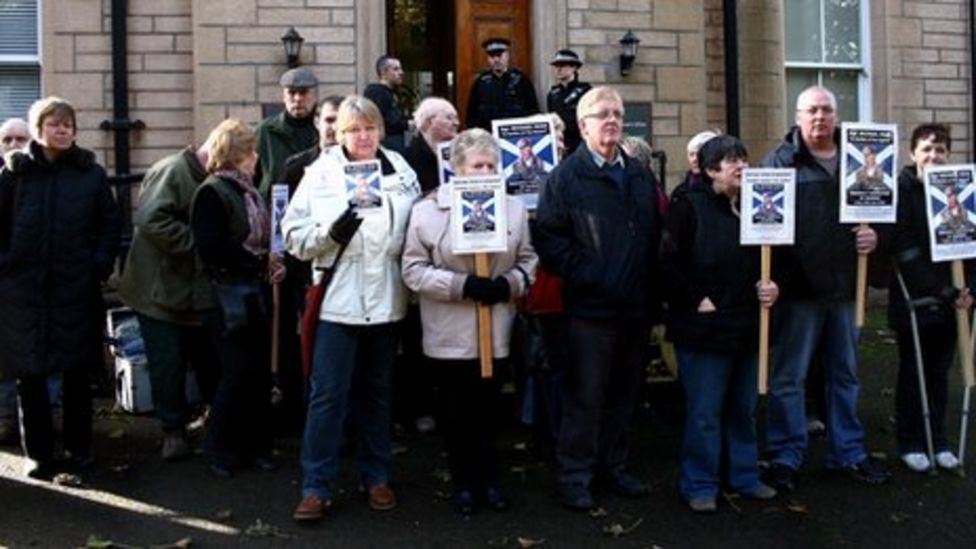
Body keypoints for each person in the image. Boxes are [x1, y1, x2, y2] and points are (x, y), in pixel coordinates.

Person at [284, 96, 420, 522]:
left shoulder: (400, 170)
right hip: (339, 302)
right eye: (354, 129)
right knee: (327, 396)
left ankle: (376, 475)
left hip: (387, 300)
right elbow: (293, 235)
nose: (363, 136)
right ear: (339, 134)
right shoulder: (320, 172)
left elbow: (418, 228)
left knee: (377, 394)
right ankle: (316, 485)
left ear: (381, 130)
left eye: (370, 128)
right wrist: (330, 233)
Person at [535, 86, 662, 510]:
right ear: (583, 125)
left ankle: (615, 467)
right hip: (590, 310)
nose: (612, 121)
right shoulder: (565, 178)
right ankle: (576, 476)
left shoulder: (639, 175)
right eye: (602, 114)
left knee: (624, 395)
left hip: (635, 307)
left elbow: (651, 233)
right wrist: (591, 276)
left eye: (617, 115)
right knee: (585, 398)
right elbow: (550, 240)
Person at [760, 85, 890, 491]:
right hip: (799, 291)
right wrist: (772, 280)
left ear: (836, 115)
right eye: (812, 110)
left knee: (845, 375)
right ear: (798, 116)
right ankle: (785, 456)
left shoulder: (862, 160)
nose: (819, 117)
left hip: (848, 289)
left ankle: (848, 452)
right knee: (789, 377)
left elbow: (886, 215)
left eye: (826, 110)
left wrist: (876, 238)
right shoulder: (780, 162)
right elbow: (763, 225)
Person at [402, 127, 537, 515]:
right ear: (458, 169)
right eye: (477, 165)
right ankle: (463, 482)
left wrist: (508, 283)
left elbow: (528, 259)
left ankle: (490, 480)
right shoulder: (428, 211)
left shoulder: (513, 208)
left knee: (491, 410)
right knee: (457, 412)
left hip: (495, 330)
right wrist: (462, 285)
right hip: (450, 333)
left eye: (491, 165)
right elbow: (413, 270)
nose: (485, 172)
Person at [0, 97, 120, 479]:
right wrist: (7, 265)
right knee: (30, 376)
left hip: (75, 287)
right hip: (23, 291)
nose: (63, 130)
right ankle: (38, 454)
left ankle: (80, 448)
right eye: (54, 124)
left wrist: (99, 264)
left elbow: (109, 224)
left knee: (77, 375)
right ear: (39, 130)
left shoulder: (91, 175)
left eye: (68, 124)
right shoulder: (14, 174)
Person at [662, 135, 780, 513]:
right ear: (712, 170)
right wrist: (697, 298)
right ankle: (699, 483)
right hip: (704, 329)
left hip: (747, 325)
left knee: (743, 409)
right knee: (705, 412)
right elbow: (667, 262)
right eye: (732, 161)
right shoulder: (687, 207)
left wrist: (774, 285)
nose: (742, 166)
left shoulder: (758, 205)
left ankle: (744, 476)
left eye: (744, 159)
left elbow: (777, 258)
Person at [119, 137, 221, 461]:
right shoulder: (172, 171)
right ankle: (172, 431)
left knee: (207, 358)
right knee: (167, 362)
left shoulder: (208, 175)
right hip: (157, 289)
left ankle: (211, 421)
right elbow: (151, 220)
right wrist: (199, 244)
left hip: (191, 289)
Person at [190, 118, 280, 478]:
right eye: (251, 150)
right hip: (222, 297)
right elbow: (210, 247)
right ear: (237, 154)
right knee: (235, 373)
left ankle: (254, 447)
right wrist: (257, 261)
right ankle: (221, 449)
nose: (256, 157)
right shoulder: (213, 192)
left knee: (256, 374)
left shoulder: (248, 191)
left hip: (250, 293)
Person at [888, 123, 972, 472]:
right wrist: (941, 290)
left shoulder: (960, 189)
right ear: (913, 153)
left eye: (940, 150)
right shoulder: (902, 191)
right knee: (915, 370)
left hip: (955, 299)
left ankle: (938, 440)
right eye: (926, 149)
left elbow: (969, 242)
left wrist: (969, 289)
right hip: (917, 297)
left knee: (939, 372)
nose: (933, 156)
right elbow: (904, 248)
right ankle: (910, 441)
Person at [0, 116, 35, 444]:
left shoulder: (42, 176)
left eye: (20, 139)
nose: (13, 145)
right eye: (7, 139)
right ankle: (5, 417)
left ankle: (49, 414)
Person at [255, 67, 319, 197]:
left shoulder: (323, 131)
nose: (297, 99)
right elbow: (251, 175)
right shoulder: (266, 131)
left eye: (303, 92)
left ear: (315, 96)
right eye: (291, 93)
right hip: (276, 204)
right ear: (284, 97)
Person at [465, 38, 540, 132]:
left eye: (499, 55)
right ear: (488, 59)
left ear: (507, 56)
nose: (496, 60)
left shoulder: (521, 80)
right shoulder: (480, 82)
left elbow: (533, 111)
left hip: (515, 134)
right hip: (488, 135)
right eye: (492, 56)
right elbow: (471, 115)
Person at [404, 97, 459, 194]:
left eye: (456, 118)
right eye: (449, 118)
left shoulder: (462, 151)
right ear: (429, 121)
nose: (456, 123)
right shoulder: (407, 159)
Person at [546, 49, 591, 154]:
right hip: (560, 145)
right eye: (556, 66)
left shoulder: (585, 91)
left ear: (574, 67)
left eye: (562, 65)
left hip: (580, 144)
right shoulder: (553, 94)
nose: (558, 69)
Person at [364, 55, 409, 152]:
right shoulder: (377, 92)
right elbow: (383, 121)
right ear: (384, 72)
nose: (401, 73)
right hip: (386, 146)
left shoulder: (394, 93)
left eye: (400, 69)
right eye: (396, 69)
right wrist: (407, 124)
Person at [671, 130, 719, 202]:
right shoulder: (680, 192)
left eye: (699, 154)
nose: (694, 159)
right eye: (691, 154)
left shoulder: (724, 189)